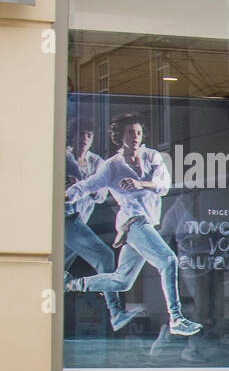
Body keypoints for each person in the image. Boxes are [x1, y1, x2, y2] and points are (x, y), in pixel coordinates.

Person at [64, 113, 202, 336]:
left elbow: (163, 185)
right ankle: (176, 318)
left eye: (138, 132)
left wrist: (140, 183)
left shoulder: (152, 156)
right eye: (130, 133)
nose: (136, 137)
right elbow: (88, 185)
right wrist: (67, 195)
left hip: (146, 224)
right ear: (120, 136)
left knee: (122, 281)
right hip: (133, 223)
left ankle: (73, 285)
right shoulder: (112, 167)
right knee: (168, 260)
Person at [64, 119, 143, 332]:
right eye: (81, 134)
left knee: (57, 271)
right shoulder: (62, 156)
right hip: (63, 221)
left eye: (89, 135)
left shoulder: (96, 162)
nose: (84, 139)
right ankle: (116, 313)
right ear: (72, 136)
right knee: (104, 257)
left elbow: (100, 196)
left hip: (78, 222)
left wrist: (82, 186)